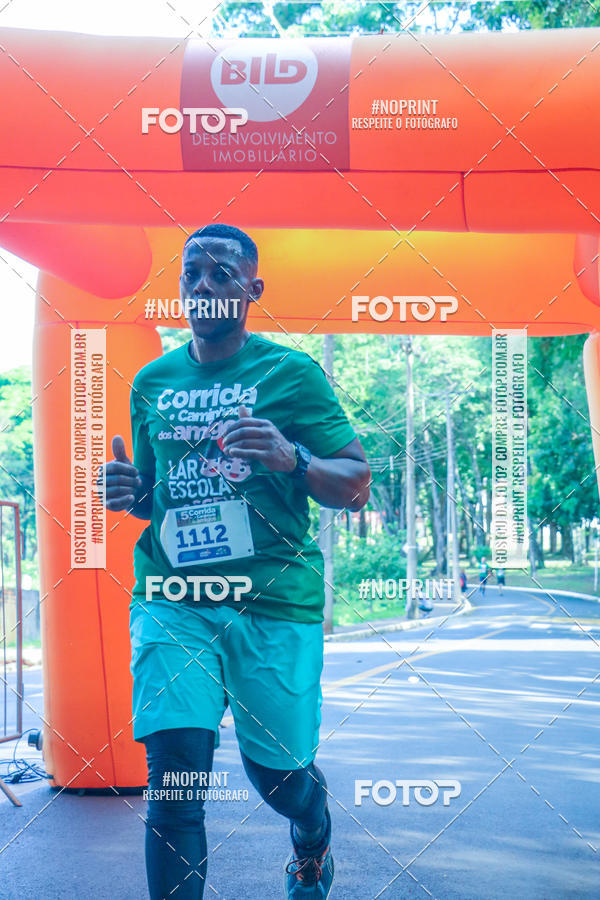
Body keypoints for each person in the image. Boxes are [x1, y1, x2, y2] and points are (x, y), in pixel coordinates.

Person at [101, 224, 371, 900]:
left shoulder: (291, 375)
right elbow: (154, 499)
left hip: (273, 602)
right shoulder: (153, 381)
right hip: (173, 600)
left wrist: (293, 458)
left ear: (252, 290)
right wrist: (134, 494)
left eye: (223, 272)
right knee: (175, 780)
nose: (204, 284)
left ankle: (311, 833)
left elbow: (357, 482)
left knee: (280, 779)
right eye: (193, 270)